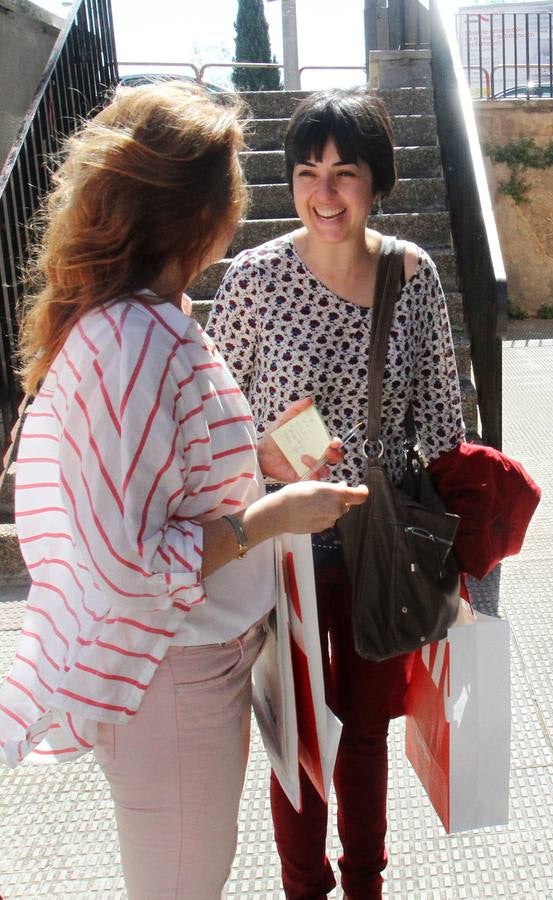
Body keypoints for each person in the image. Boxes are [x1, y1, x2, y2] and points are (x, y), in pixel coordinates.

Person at [0, 82, 367, 898]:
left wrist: (258, 460)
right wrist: (269, 516)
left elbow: (164, 480)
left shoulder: (149, 316)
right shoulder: (135, 336)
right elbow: (130, 560)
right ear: (200, 209)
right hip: (172, 675)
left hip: (188, 664)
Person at [205, 88, 464, 899]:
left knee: (364, 733)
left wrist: (462, 551)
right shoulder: (252, 279)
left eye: (344, 173)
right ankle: (304, 887)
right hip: (280, 547)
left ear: (376, 182)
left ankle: (365, 884)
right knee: (296, 733)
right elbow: (201, 430)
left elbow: (447, 427)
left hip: (377, 543)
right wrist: (266, 457)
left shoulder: (411, 275)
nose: (324, 193)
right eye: (307, 171)